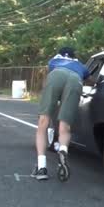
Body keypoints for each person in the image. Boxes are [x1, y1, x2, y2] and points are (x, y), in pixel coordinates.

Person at [31, 46, 90, 181]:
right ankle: (63, 149)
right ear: (74, 56)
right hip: (76, 80)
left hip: (56, 75)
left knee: (43, 123)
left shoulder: (54, 61)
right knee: (65, 126)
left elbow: (52, 75)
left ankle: (41, 168)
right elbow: (89, 79)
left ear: (60, 54)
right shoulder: (80, 65)